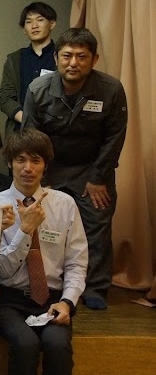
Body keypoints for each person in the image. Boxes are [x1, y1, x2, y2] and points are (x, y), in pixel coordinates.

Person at [22, 27, 127, 311]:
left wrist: (98, 177)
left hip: (92, 171)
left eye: (82, 56)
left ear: (94, 60)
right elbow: (31, 138)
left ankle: (95, 287)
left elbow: (115, 137)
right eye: (67, 55)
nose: (73, 63)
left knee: (96, 227)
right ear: (56, 58)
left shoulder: (111, 89)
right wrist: (40, 180)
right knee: (46, 226)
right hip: (51, 169)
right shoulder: (38, 89)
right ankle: (49, 282)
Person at [0, 128, 88, 375]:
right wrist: (25, 231)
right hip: (8, 299)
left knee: (57, 346)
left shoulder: (64, 204)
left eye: (35, 160)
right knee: (25, 344)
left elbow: (76, 262)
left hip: (51, 298)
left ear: (45, 166)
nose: (27, 168)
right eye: (20, 160)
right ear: (9, 163)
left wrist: (67, 302)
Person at [0, 2, 58, 136]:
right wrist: (27, 120)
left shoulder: (63, 56)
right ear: (24, 29)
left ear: (52, 24)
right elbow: (5, 97)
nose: (34, 25)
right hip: (20, 130)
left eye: (40, 20)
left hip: (56, 130)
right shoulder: (14, 59)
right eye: (28, 22)